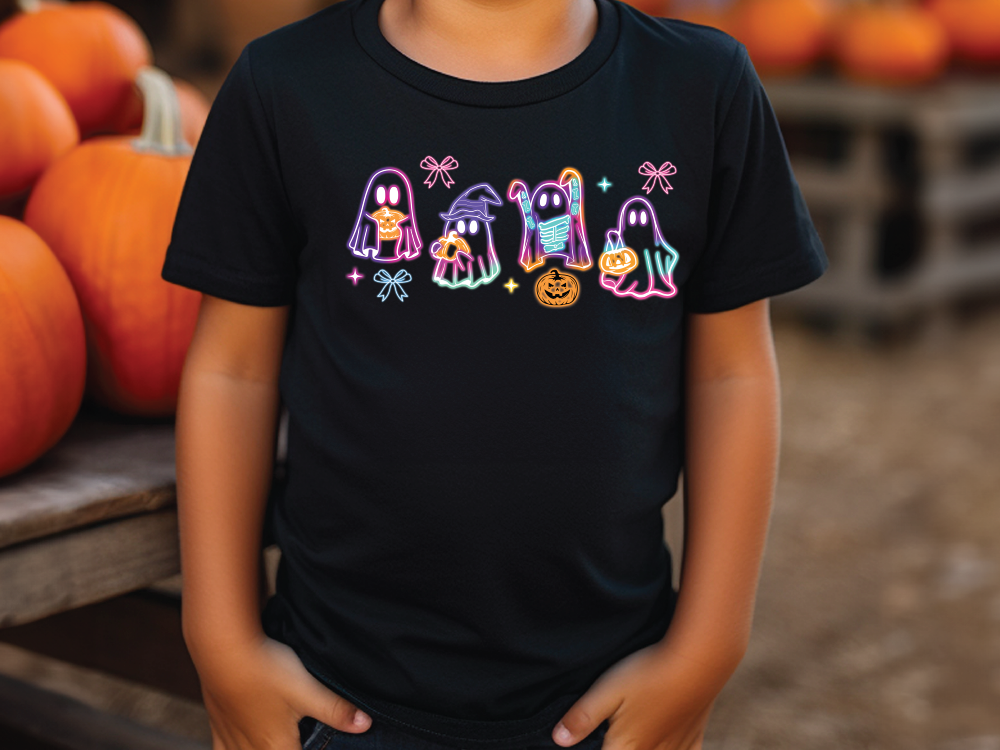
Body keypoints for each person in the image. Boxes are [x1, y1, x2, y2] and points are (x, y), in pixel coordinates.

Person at [160, 0, 828, 748]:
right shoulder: (284, 86)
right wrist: (220, 641)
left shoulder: (702, 87)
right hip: (340, 697)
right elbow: (233, 371)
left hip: (606, 704)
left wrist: (706, 650)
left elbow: (732, 374)